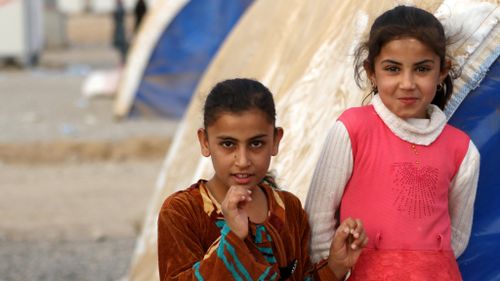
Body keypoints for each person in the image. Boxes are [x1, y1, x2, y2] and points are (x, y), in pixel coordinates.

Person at [305, 5, 480, 280]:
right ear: (371, 72)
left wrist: (420, 265)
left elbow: (456, 237)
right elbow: (317, 221)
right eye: (392, 69)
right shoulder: (353, 129)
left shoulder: (462, 149)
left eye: (422, 69)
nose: (407, 83)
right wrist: (333, 269)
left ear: (442, 71)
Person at [157, 78, 368, 280]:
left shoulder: (288, 209)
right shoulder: (183, 212)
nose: (242, 160)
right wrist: (231, 239)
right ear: (205, 142)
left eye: (256, 144)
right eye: (228, 144)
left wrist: (335, 266)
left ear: (275, 141)